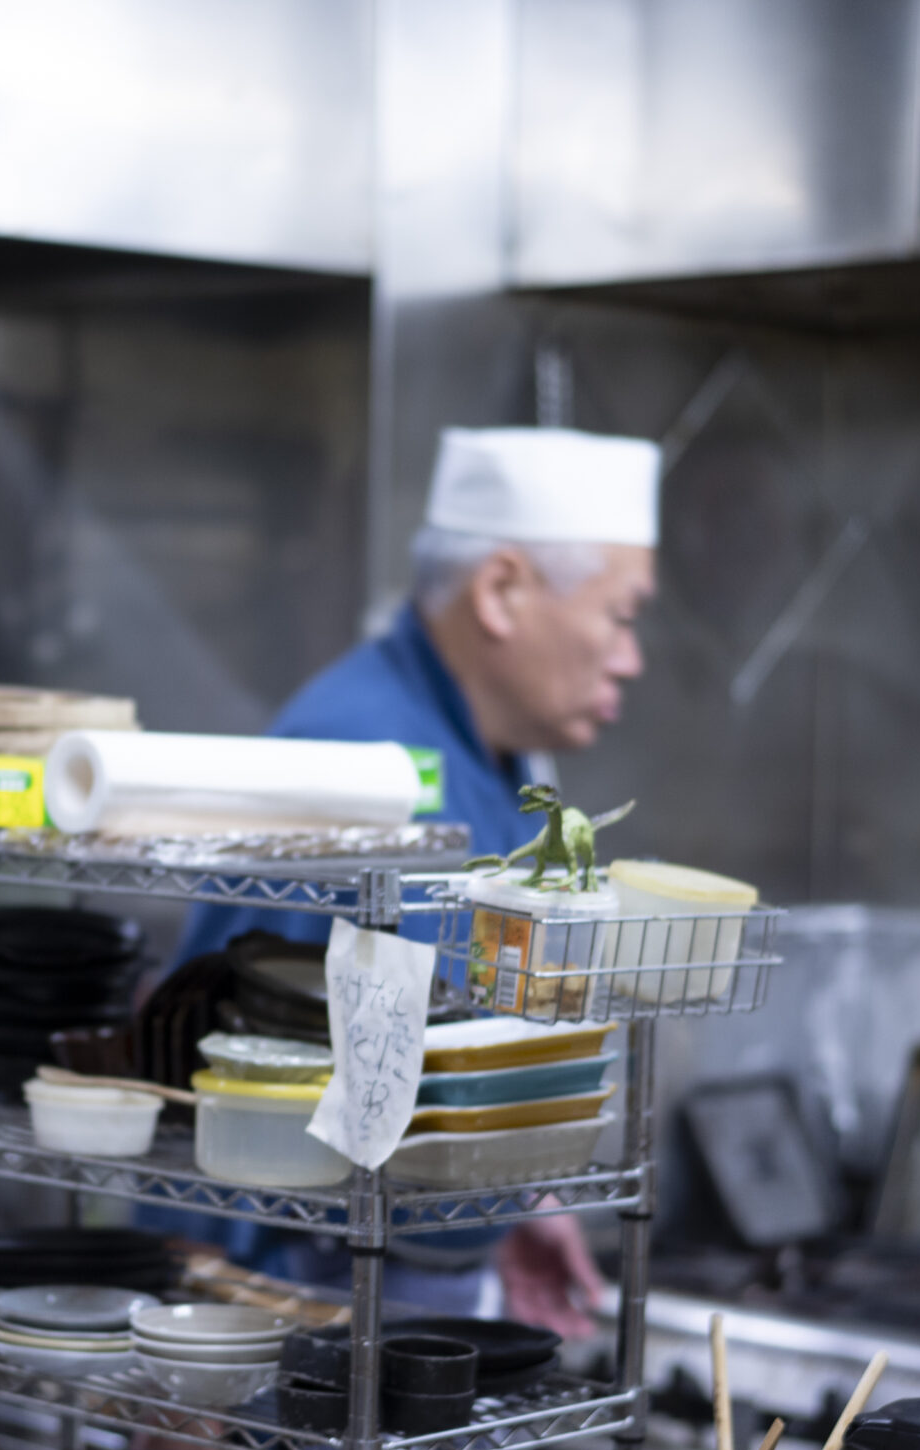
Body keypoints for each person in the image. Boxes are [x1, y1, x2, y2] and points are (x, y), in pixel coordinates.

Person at [166, 426, 662, 1332]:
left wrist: (504, 1213)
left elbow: (437, 1055)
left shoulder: (502, 767)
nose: (630, 656)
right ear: (503, 592)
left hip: (414, 1295)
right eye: (620, 615)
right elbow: (194, 1044)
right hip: (291, 1318)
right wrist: (186, 1326)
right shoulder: (356, 756)